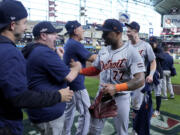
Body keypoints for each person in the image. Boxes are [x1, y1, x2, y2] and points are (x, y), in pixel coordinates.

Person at [0, 1, 73, 135]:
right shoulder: (9, 52)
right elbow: (20, 98)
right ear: (12, 25)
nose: (25, 28)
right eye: (24, 23)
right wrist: (58, 95)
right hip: (6, 124)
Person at [80, 19, 145, 135]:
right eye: (103, 32)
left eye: (106, 33)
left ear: (118, 33)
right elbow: (96, 69)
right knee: (93, 130)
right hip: (102, 95)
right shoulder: (104, 50)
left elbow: (140, 79)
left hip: (121, 98)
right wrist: (79, 71)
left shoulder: (131, 52)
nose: (103, 36)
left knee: (121, 132)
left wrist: (117, 88)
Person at [22, 21, 82, 135]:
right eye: (54, 34)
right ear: (44, 35)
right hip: (48, 112)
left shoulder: (33, 49)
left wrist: (57, 56)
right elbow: (69, 77)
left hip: (39, 108)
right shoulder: (44, 52)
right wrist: (77, 67)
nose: (57, 36)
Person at [63, 20, 97, 135]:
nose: (83, 30)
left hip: (69, 83)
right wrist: (108, 54)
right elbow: (92, 58)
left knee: (69, 112)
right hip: (76, 84)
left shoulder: (70, 43)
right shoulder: (74, 44)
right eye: (81, 28)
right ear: (75, 31)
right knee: (87, 112)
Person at [125, 21, 156, 134]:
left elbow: (153, 61)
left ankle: (135, 129)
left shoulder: (145, 46)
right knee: (124, 107)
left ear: (136, 31)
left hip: (139, 82)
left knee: (137, 108)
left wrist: (151, 74)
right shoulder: (125, 45)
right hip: (126, 81)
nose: (127, 31)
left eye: (129, 29)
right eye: (126, 30)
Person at [149, 36, 164, 117]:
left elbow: (162, 57)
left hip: (158, 74)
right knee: (148, 92)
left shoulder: (159, 49)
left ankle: (157, 110)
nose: (151, 45)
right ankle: (149, 108)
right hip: (150, 74)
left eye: (153, 43)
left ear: (156, 43)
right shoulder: (149, 48)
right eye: (150, 43)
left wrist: (152, 54)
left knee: (157, 93)